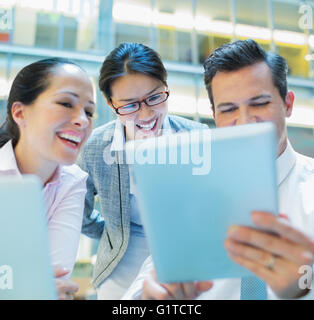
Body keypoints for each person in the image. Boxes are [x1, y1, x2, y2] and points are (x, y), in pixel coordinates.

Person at [123, 39, 314, 300]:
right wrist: (152, 299)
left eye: (259, 104)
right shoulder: (191, 198)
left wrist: (305, 288)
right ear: (214, 115)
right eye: (229, 109)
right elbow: (136, 297)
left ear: (288, 104)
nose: (245, 122)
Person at [76, 42, 208, 299]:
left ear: (166, 87)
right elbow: (80, 213)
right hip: (120, 265)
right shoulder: (94, 148)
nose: (146, 113)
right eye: (129, 105)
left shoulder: (198, 137)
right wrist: (113, 234)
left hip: (184, 260)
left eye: (154, 97)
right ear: (110, 102)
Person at [0, 58, 95, 300]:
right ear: (20, 113)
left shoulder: (73, 181)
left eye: (89, 112)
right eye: (66, 103)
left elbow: (57, 278)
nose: (82, 120)